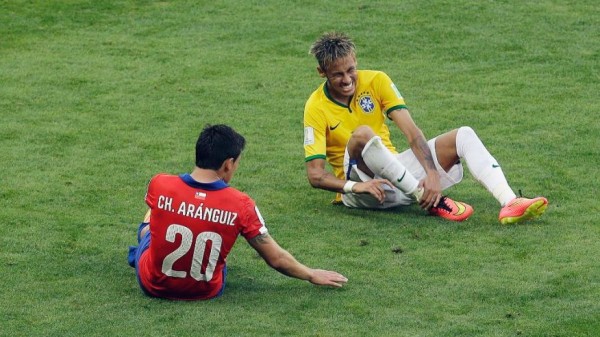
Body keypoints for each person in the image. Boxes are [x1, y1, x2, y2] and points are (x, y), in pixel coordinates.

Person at [303, 32, 548, 224]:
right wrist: (356, 186)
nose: (347, 80)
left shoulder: (377, 80)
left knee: (463, 135)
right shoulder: (315, 107)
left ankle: (510, 202)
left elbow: (411, 131)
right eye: (337, 75)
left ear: (356, 62)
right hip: (362, 190)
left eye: (351, 70)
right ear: (321, 72)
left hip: (397, 180)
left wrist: (431, 174)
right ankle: (433, 202)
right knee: (364, 134)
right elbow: (315, 175)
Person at [128, 124, 347, 300]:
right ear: (228, 164)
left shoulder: (160, 184)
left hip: (153, 285)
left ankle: (138, 251)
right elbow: (276, 258)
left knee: (149, 226)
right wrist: (310, 274)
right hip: (205, 291)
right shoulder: (241, 204)